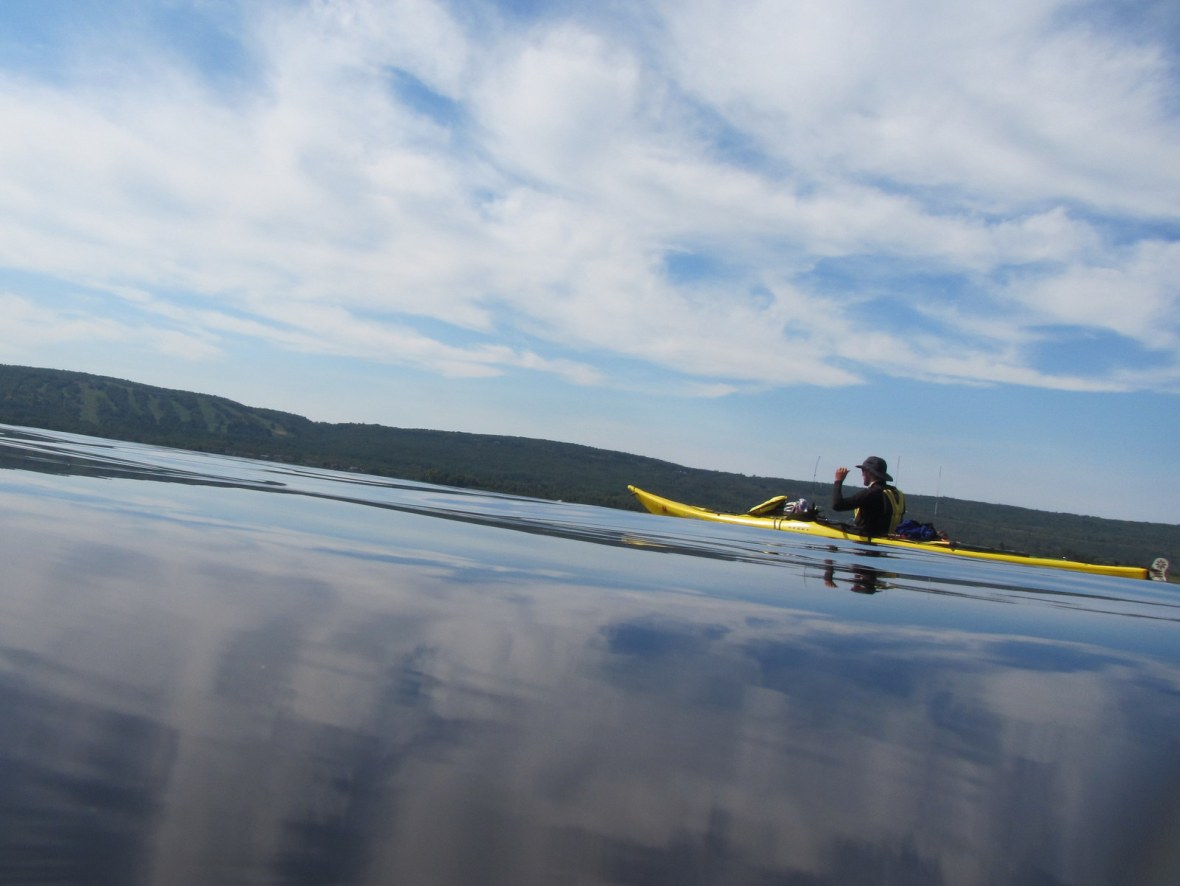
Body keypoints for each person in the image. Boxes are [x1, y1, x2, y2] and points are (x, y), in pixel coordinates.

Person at [831, 456, 905, 537]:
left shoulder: (871, 493)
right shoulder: (896, 493)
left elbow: (837, 505)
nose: (862, 474)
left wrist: (838, 481)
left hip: (866, 543)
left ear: (868, 472)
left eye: (863, 470)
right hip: (888, 540)